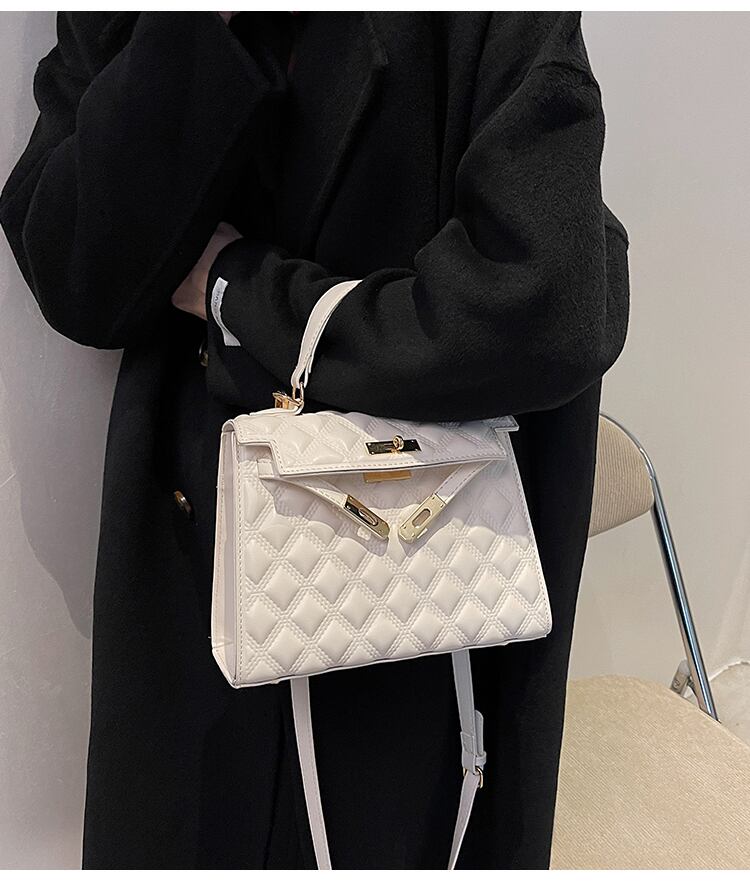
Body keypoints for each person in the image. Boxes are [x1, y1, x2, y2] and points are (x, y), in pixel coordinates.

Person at [0, 11, 630, 870]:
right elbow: (77, 274)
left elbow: (550, 307)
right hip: (192, 572)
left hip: (413, 592)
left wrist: (243, 291)